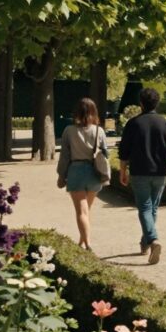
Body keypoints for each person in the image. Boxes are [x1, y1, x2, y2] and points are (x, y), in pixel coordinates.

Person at [118, 88, 166, 265]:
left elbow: (124, 151)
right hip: (160, 172)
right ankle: (145, 243)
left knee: (145, 209)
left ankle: (153, 240)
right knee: (152, 209)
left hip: (139, 172)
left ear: (141, 103)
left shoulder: (133, 123)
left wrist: (122, 171)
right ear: (157, 103)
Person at [56, 98, 108, 251]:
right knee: (87, 211)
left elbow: (64, 155)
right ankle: (82, 241)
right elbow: (105, 153)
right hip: (94, 172)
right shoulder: (99, 130)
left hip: (76, 171)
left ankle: (88, 243)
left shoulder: (69, 131)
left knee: (81, 211)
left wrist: (61, 175)